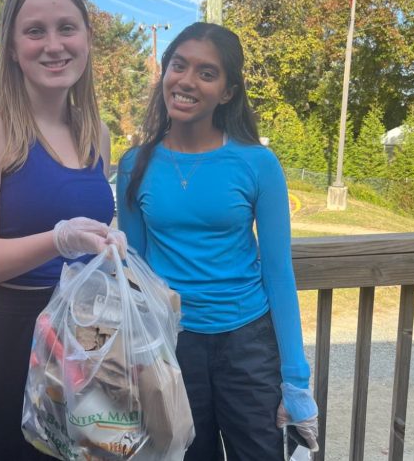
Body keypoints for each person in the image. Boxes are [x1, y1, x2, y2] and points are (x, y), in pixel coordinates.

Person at [0, 0, 125, 461]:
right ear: (12, 46)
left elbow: (82, 221)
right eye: (35, 31)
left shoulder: (95, 132)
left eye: (67, 28)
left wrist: (104, 242)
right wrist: (59, 239)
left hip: (81, 333)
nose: (54, 45)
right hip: (5, 336)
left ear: (86, 39)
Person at [117, 22, 319, 460]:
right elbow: (136, 275)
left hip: (248, 345)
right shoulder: (134, 164)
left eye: (207, 73)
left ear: (227, 91)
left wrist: (296, 379)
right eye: (179, 65)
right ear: (165, 72)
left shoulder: (257, 163)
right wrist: (134, 361)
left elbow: (279, 274)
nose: (187, 80)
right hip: (173, 347)